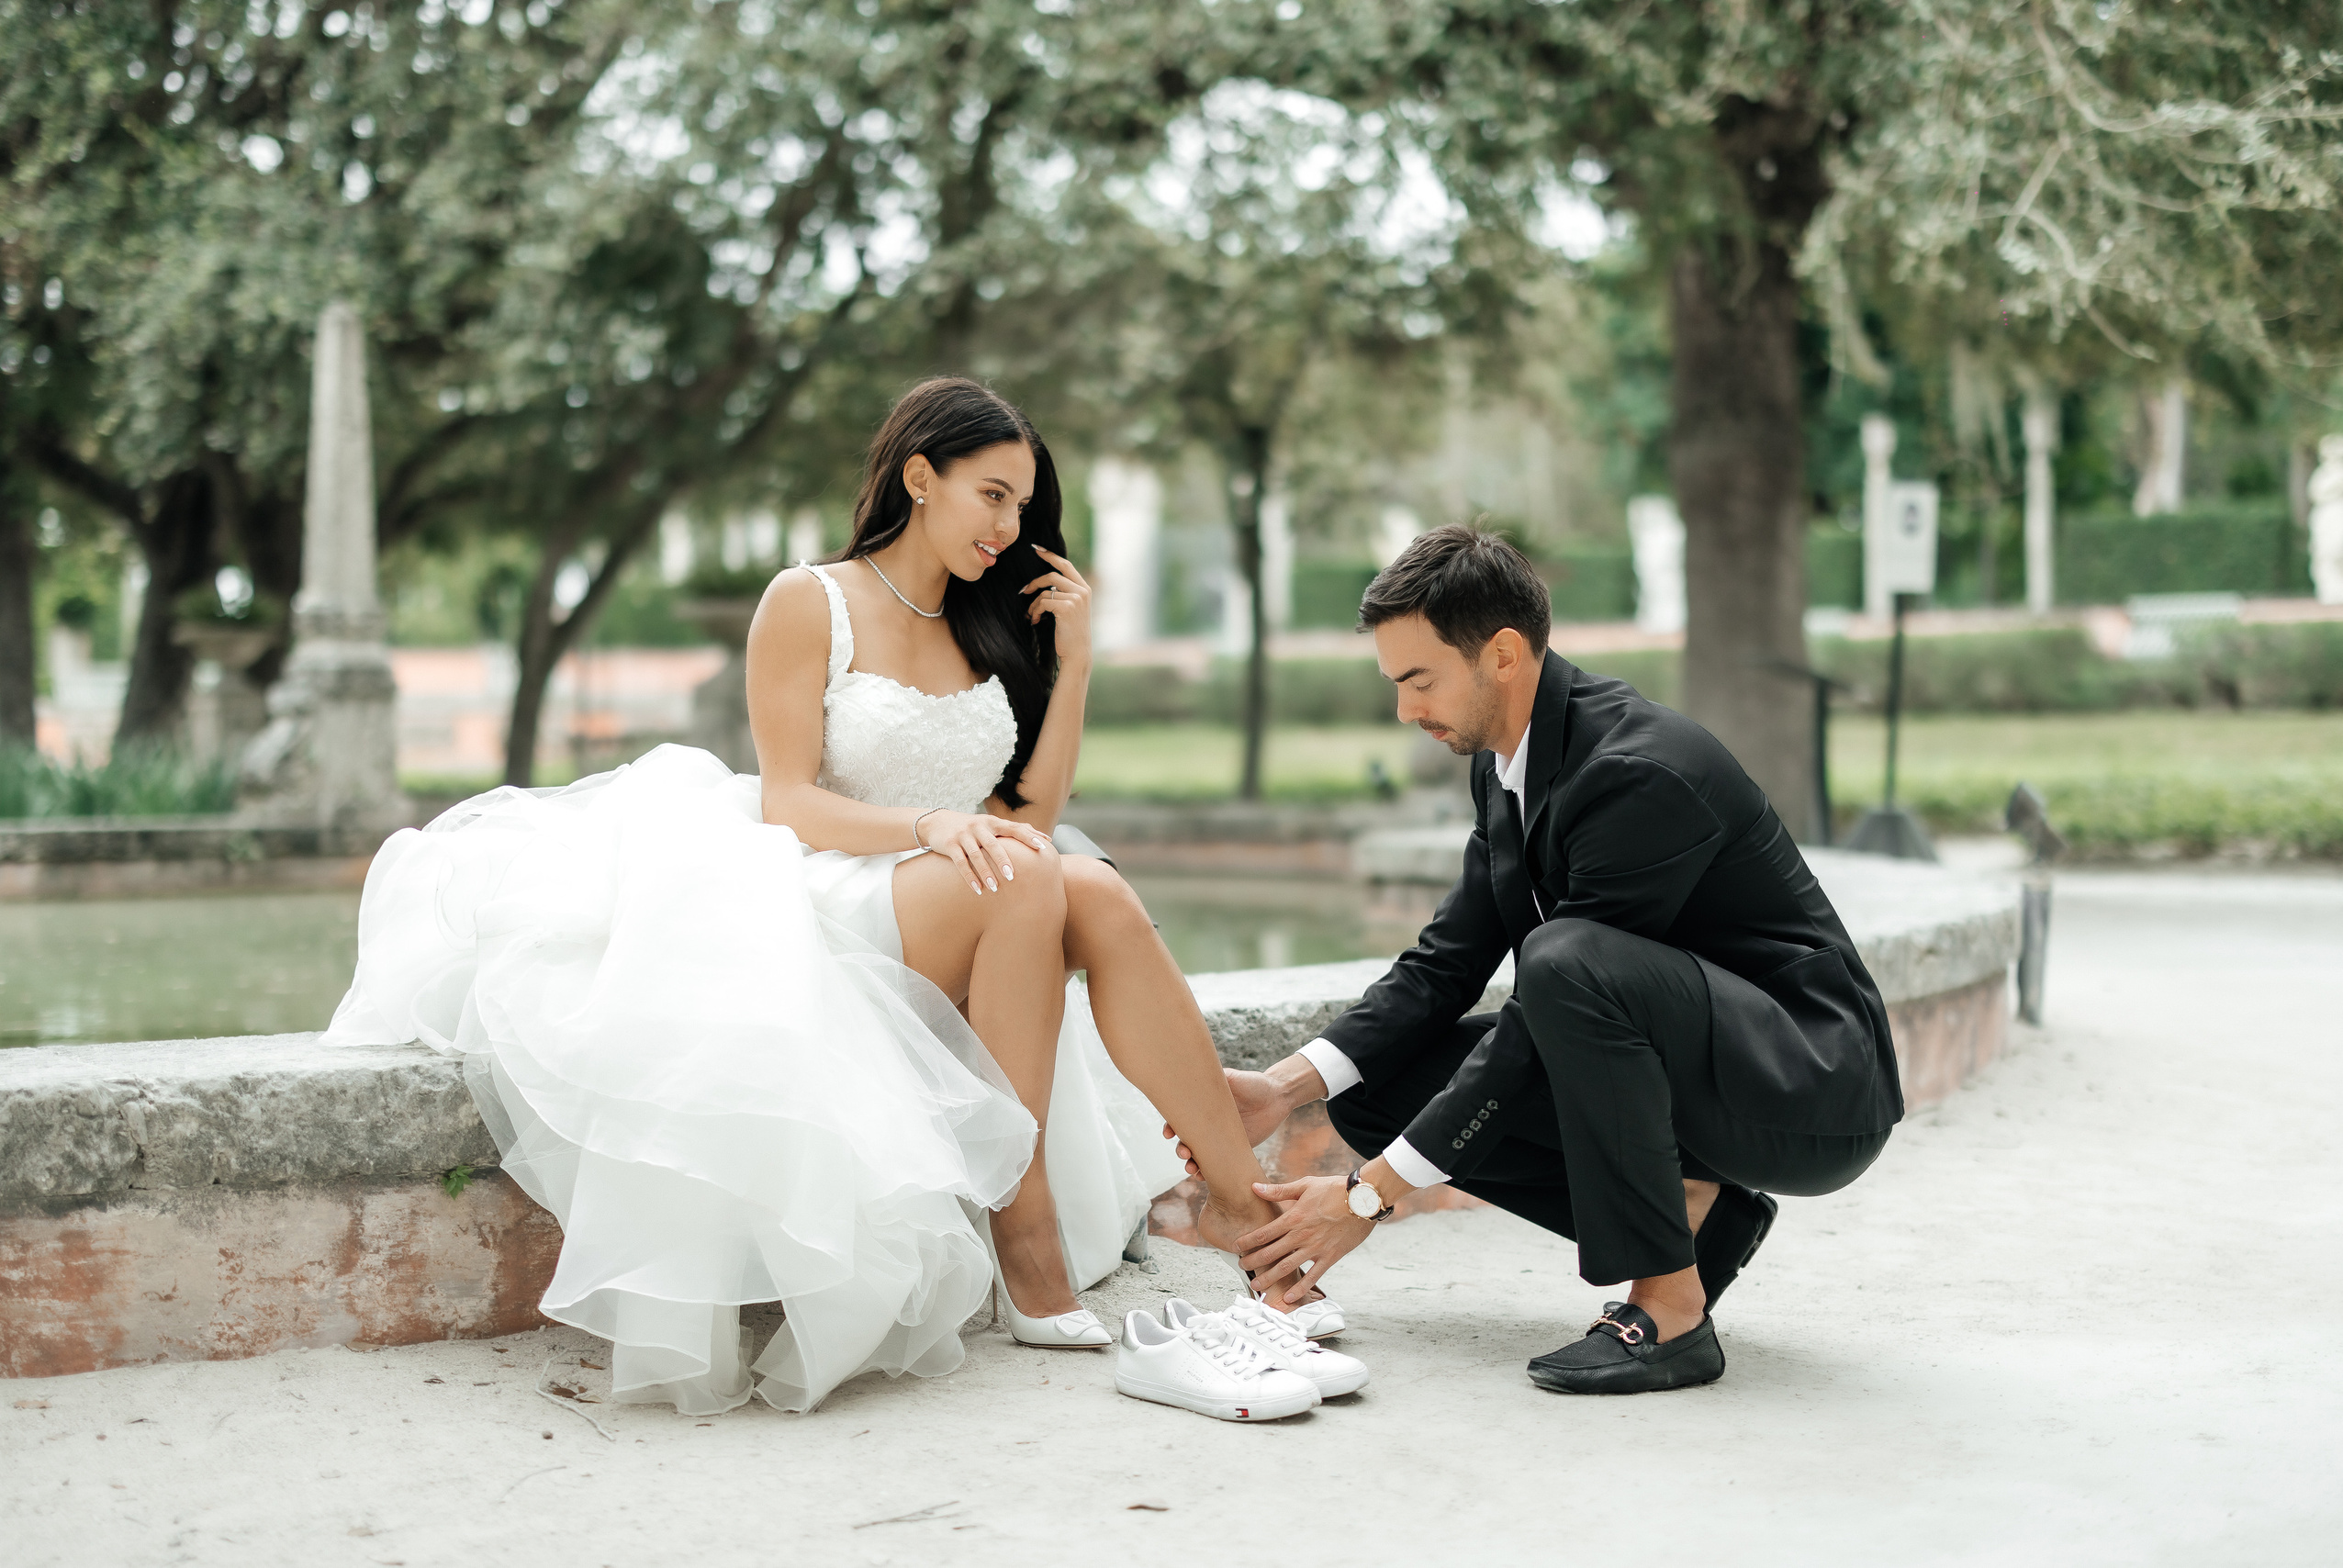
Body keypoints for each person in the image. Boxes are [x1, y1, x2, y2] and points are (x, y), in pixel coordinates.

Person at [322, 376, 1313, 1415]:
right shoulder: (811, 599)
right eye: (991, 495)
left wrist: (1070, 668)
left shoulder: (986, 619)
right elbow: (789, 801)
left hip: (970, 883)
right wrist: (928, 825)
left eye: (1023, 505)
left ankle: (1247, 1216)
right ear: (920, 477)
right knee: (1026, 873)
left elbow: (1029, 813)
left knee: (1095, 891)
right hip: (830, 892)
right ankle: (1024, 1231)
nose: (1009, 525)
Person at [1183, 524, 1902, 1394]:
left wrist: (1369, 1194)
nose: (1405, 711)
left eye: (1419, 679)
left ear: (1504, 654)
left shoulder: (1638, 771)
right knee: (1377, 1085)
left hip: (1810, 1083)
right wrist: (1286, 1087)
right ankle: (1698, 1221)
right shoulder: (1507, 763)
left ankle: (1671, 1314)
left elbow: (1544, 1014)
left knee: (1565, 961)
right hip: (1701, 1060)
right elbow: (1446, 961)